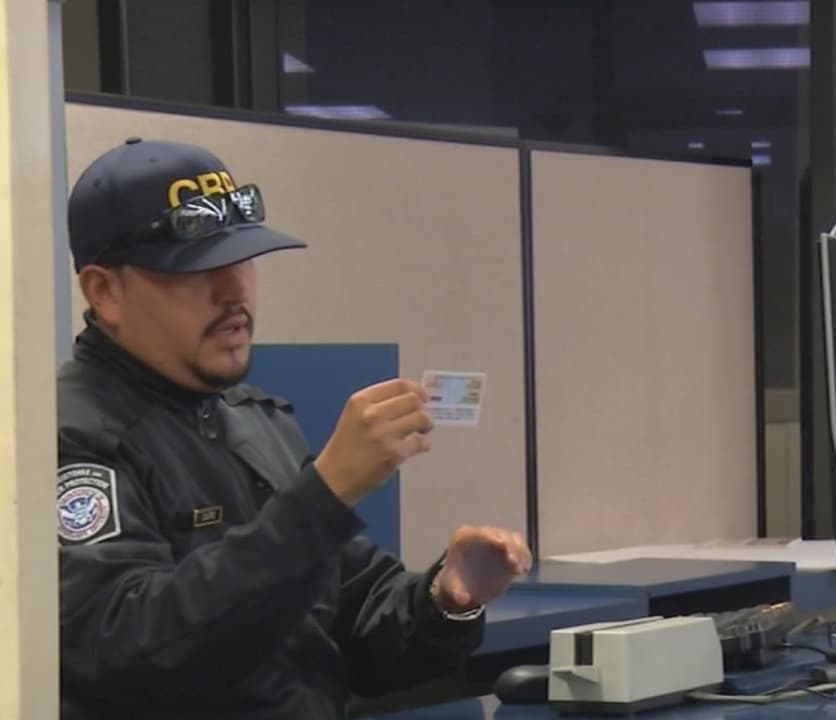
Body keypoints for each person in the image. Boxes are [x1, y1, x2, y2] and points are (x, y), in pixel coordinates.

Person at [56, 137, 533, 719]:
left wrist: (448, 598)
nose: (235, 291)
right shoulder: (69, 440)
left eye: (242, 260)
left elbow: (359, 621)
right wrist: (325, 495)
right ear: (106, 292)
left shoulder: (255, 421)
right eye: (197, 269)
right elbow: (130, 652)